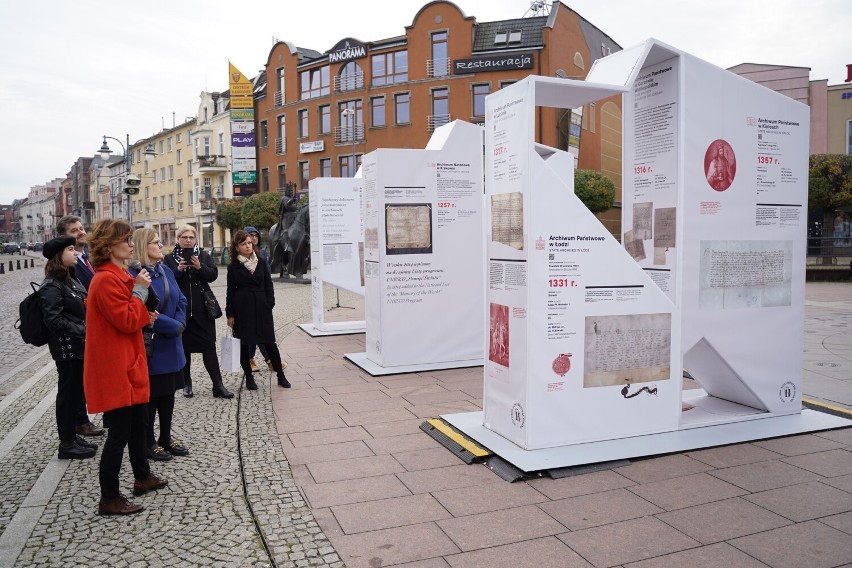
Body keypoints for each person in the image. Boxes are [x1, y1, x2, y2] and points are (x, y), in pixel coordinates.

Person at [83, 219, 166, 516]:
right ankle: (109, 497)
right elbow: (127, 319)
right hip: (116, 368)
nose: (132, 245)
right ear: (109, 245)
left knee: (137, 426)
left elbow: (133, 315)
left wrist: (145, 310)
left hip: (127, 363)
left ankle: (142, 477)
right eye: (126, 240)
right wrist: (140, 292)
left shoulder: (117, 275)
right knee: (119, 434)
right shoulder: (105, 279)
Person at [128, 228, 188, 462]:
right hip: (154, 345)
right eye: (156, 242)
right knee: (151, 398)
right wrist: (172, 325)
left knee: (169, 394)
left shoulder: (165, 270)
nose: (161, 245)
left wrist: (180, 322)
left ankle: (165, 436)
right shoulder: (137, 274)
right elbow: (143, 309)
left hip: (173, 343)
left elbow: (181, 298)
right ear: (144, 246)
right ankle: (148, 441)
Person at [39, 236, 95, 459]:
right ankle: (66, 443)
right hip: (67, 350)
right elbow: (53, 321)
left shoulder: (70, 280)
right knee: (67, 395)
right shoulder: (51, 285)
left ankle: (72, 434)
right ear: (58, 256)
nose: (75, 253)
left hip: (79, 348)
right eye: (70, 250)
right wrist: (85, 331)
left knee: (76, 394)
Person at [164, 225, 233, 399]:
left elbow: (213, 275)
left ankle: (218, 385)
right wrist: (177, 271)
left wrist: (200, 267)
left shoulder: (203, 255)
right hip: (181, 312)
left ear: (196, 239)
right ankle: (187, 384)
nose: (188, 240)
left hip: (203, 310)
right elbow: (166, 281)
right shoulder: (169, 258)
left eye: (191, 237)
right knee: (184, 349)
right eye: (184, 237)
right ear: (178, 239)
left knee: (209, 347)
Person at [56, 215, 104, 438]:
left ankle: (80, 422)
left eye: (82, 228)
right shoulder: (67, 265)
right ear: (64, 238)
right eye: (74, 230)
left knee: (83, 378)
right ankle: (78, 424)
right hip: (77, 331)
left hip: (89, 327)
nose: (81, 232)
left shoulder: (87, 257)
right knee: (73, 382)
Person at [226, 230, 290, 390]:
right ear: (236, 247)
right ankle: (249, 377)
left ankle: (281, 375)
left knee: (269, 342)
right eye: (243, 244)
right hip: (243, 309)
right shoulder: (233, 267)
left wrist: (270, 302)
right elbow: (230, 291)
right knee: (244, 344)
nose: (248, 246)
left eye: (249, 243)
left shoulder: (261, 262)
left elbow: (269, 284)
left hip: (262, 307)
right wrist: (230, 313)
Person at [242, 226, 274, 372]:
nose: (254, 238)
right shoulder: (240, 257)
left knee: (261, 330)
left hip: (262, 299)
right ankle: (265, 359)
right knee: (254, 331)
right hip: (248, 300)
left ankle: (258, 359)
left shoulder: (262, 254)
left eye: (256, 235)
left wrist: (270, 300)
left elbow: (268, 277)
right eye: (250, 235)